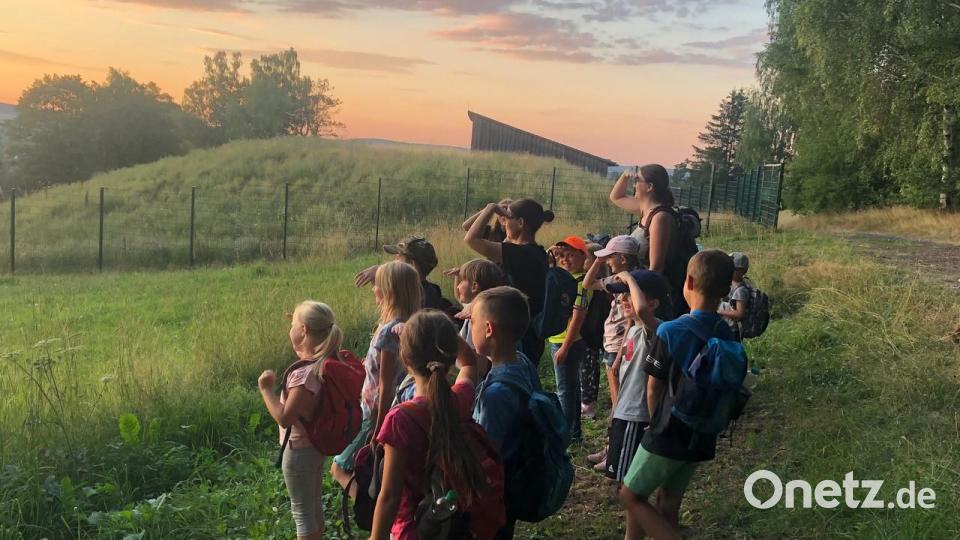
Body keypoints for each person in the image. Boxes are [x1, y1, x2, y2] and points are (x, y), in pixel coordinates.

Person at [620, 250, 736, 540]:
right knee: (668, 503)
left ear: (689, 282)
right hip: (704, 428)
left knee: (630, 495)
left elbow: (653, 387)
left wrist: (654, 424)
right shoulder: (728, 332)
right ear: (726, 290)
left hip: (669, 429)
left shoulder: (672, 330)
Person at [370, 310, 497, 540]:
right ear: (449, 359)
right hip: (454, 522)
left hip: (414, 529)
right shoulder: (460, 398)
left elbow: (389, 496)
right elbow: (468, 362)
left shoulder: (399, 419)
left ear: (405, 359)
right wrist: (442, 334)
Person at [257, 301, 344, 540]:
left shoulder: (304, 375)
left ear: (303, 330)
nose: (289, 330)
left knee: (303, 515)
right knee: (314, 512)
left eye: (293, 324)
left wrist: (267, 390)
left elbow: (285, 418)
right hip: (315, 447)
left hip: (298, 452)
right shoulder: (326, 363)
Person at [331, 261, 421, 493]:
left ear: (389, 291)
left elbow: (386, 385)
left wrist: (378, 426)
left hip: (374, 412)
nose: (373, 289)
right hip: (394, 409)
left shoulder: (389, 331)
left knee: (339, 467)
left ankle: (371, 514)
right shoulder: (409, 325)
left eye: (377, 285)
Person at [470, 286, 541, 540]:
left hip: (497, 489)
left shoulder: (495, 394)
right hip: (516, 476)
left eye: (473, 322)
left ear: (488, 329)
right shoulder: (522, 362)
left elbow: (485, 451)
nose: (471, 328)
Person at [464, 198, 554, 366]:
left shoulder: (520, 254)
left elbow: (471, 239)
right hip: (529, 331)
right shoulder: (537, 252)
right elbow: (467, 229)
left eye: (508, 218)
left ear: (520, 222)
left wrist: (491, 207)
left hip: (518, 335)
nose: (504, 224)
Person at [581, 235, 643, 470]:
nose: (608, 261)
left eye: (611, 256)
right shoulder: (621, 279)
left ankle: (615, 453)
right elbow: (588, 284)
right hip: (611, 344)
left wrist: (618, 356)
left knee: (619, 405)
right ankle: (611, 448)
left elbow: (630, 320)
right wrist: (599, 259)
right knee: (618, 403)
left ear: (623, 258)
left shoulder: (629, 282)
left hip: (619, 346)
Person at [601, 270, 668, 484]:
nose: (623, 299)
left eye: (629, 293)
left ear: (654, 303)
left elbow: (640, 309)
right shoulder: (633, 329)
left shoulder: (654, 329)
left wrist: (629, 278)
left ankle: (641, 516)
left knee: (627, 484)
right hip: (625, 412)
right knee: (624, 483)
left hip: (636, 416)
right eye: (622, 294)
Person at [609, 164, 690, 319]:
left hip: (653, 297)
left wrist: (640, 302)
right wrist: (626, 175)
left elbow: (656, 268)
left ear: (649, 187)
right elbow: (616, 197)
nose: (634, 184)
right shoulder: (645, 209)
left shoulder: (660, 218)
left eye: (637, 180)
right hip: (638, 287)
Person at [546, 235, 592, 443]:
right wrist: (552, 253)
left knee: (564, 390)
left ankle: (563, 439)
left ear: (583, 257)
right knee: (571, 389)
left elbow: (578, 318)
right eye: (562, 255)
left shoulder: (583, 282)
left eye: (571, 255)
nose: (565, 260)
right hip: (559, 339)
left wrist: (564, 347)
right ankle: (573, 434)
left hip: (569, 341)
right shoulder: (562, 279)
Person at [354, 235, 448, 311]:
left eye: (398, 259)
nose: (393, 262)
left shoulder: (409, 298)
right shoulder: (430, 291)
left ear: (412, 266)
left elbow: (388, 314)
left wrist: (381, 272)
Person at [444, 258, 507, 354]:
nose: (458, 286)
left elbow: (476, 354)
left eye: (461, 282)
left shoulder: (476, 314)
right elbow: (459, 297)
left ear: (474, 287)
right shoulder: (474, 307)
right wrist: (458, 276)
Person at [579, 242, 605, 420]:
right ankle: (586, 402)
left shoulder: (598, 286)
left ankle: (588, 405)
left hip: (591, 336)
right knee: (586, 368)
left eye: (584, 256)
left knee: (589, 369)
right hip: (590, 335)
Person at [718, 252, 751, 341]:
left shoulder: (740, 290)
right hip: (727, 326)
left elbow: (740, 314)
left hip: (733, 330)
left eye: (733, 269)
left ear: (743, 271)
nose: (728, 270)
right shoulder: (732, 283)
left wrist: (719, 312)